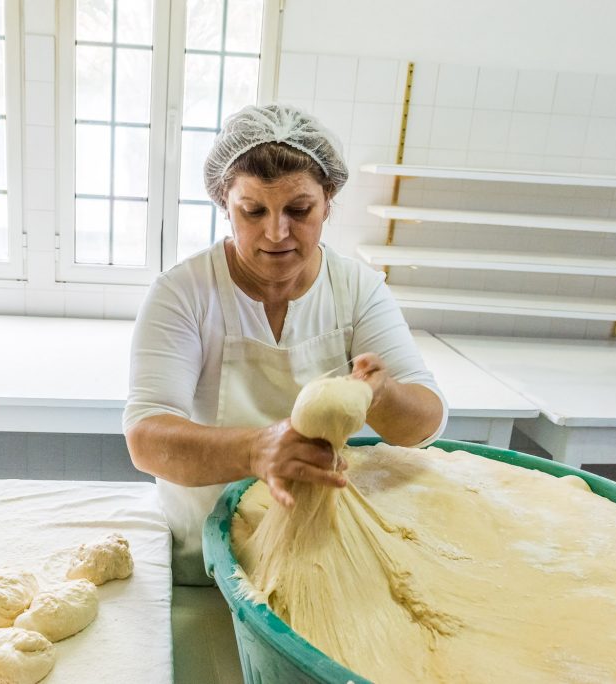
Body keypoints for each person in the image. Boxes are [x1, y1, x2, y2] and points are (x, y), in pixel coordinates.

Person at [123, 104, 447, 585]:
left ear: (329, 200)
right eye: (252, 211)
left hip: (315, 559)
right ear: (223, 204)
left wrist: (382, 396)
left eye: (299, 210)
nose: (277, 233)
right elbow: (146, 437)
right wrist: (256, 450)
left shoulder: (356, 289)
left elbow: (426, 421)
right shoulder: (184, 292)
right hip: (202, 558)